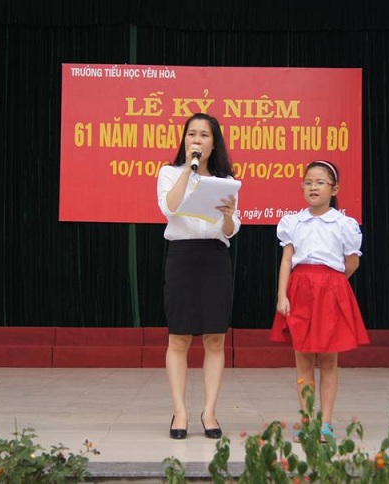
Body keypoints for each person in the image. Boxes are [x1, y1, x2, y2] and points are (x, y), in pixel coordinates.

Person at [270, 160, 369, 441]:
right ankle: (307, 421)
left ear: (334, 189)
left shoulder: (344, 224)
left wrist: (333, 286)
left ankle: (325, 423)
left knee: (328, 361)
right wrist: (282, 295)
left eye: (320, 182)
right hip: (300, 292)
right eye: (308, 182)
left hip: (330, 293)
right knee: (302, 360)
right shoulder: (293, 222)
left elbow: (352, 262)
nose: (313, 187)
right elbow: (287, 260)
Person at [156, 113, 240, 440]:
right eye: (192, 134)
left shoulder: (225, 180)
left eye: (204, 135)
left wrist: (229, 216)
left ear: (214, 143)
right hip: (182, 256)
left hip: (215, 257)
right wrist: (188, 171)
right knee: (179, 338)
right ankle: (180, 411)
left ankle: (210, 412)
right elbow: (169, 208)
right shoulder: (169, 173)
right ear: (184, 139)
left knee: (215, 338)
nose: (197, 140)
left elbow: (230, 230)